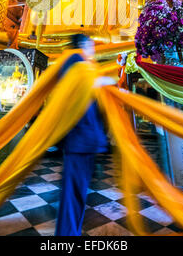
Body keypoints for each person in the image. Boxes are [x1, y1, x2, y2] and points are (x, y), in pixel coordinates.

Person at [55, 34, 115, 236]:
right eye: (91, 45)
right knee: (73, 192)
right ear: (82, 45)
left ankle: (70, 231)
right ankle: (67, 235)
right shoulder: (75, 61)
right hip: (79, 139)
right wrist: (107, 80)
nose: (93, 49)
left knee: (77, 191)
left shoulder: (84, 65)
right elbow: (83, 82)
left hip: (86, 140)